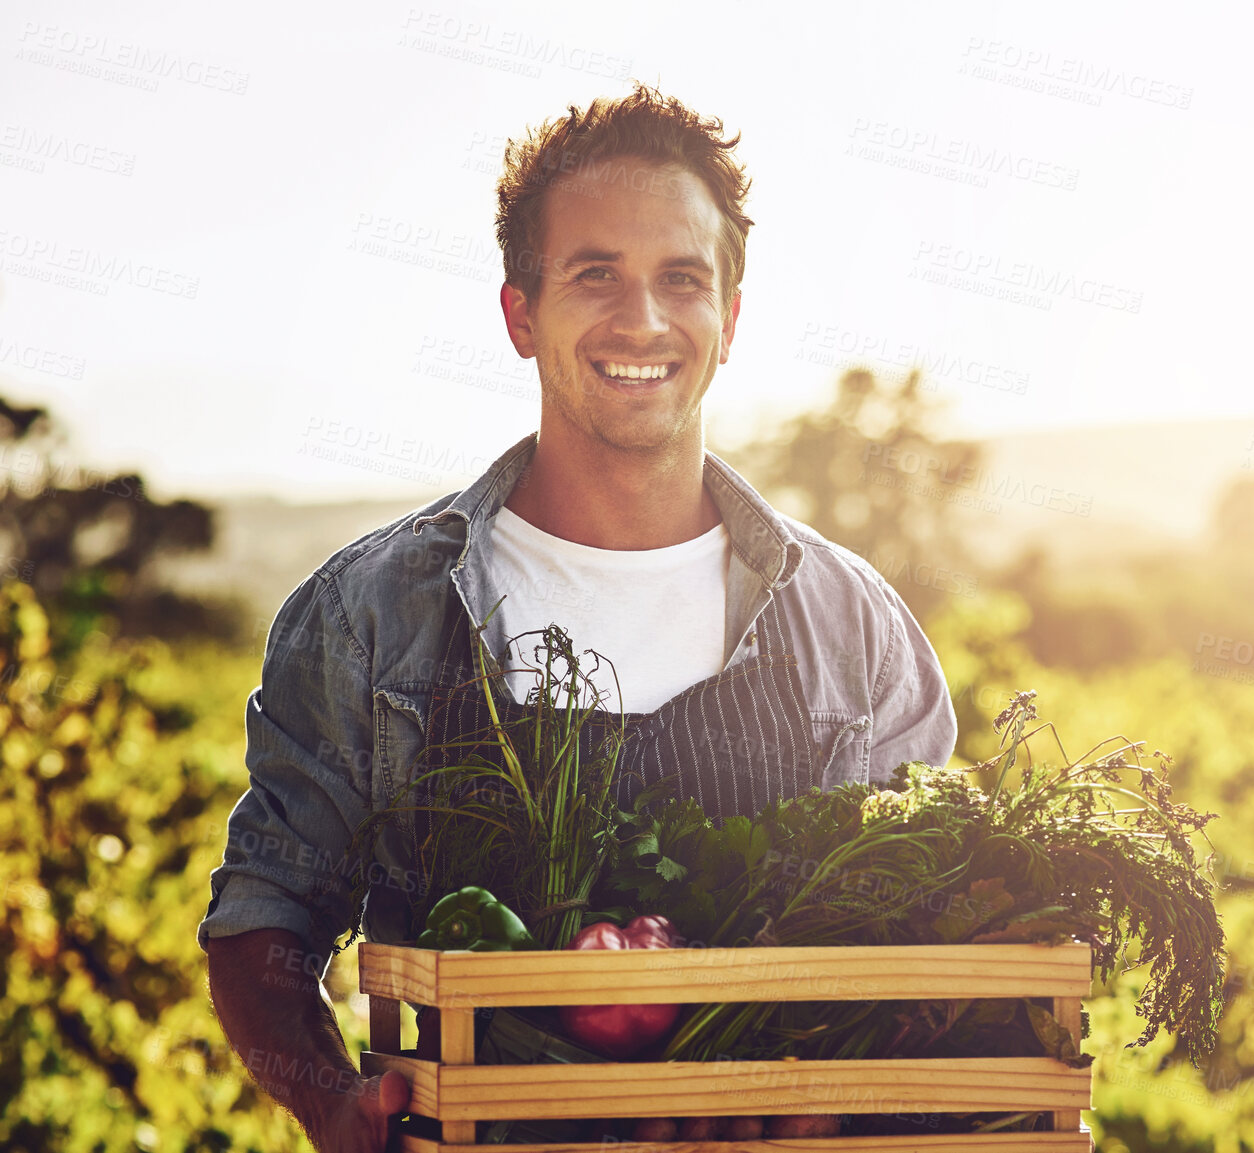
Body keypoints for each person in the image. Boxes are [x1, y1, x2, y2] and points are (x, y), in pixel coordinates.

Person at [201, 83, 957, 1152]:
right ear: (521, 314)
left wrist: (845, 1099)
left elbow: (930, 942)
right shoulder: (371, 616)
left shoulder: (855, 631)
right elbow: (268, 914)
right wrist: (329, 1098)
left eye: (681, 280)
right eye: (594, 274)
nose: (642, 320)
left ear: (730, 320)